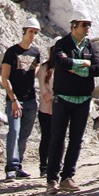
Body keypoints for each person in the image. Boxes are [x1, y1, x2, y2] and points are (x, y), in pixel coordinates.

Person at [46, 13, 99, 194]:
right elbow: (60, 62)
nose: (88, 28)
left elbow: (98, 68)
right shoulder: (62, 44)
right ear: (74, 26)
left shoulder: (91, 46)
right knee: (57, 139)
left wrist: (79, 70)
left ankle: (67, 177)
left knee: (76, 140)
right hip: (62, 99)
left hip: (83, 100)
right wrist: (84, 63)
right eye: (84, 25)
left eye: (89, 24)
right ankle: (52, 179)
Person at [1, 16, 41, 179]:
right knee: (14, 131)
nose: (33, 35)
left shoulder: (36, 52)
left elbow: (36, 69)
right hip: (15, 101)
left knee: (24, 134)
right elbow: (5, 78)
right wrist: (13, 100)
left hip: (31, 100)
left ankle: (18, 166)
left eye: (36, 32)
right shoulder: (12, 52)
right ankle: (11, 167)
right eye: (31, 31)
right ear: (24, 31)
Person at [36, 45, 55, 178]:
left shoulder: (65, 67)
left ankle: (55, 165)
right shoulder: (44, 68)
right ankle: (44, 166)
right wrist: (56, 95)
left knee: (58, 138)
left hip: (61, 109)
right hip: (46, 109)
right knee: (46, 137)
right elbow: (45, 93)